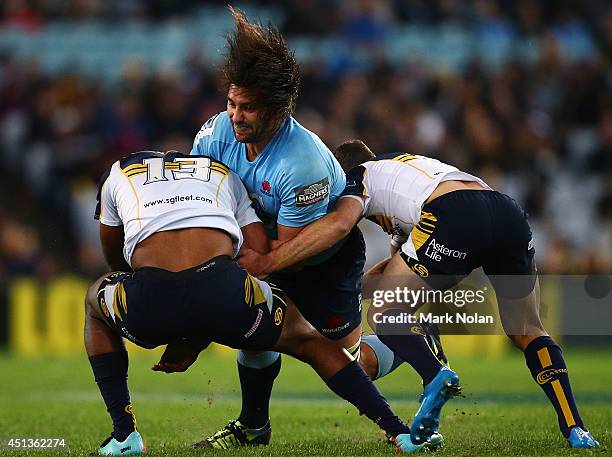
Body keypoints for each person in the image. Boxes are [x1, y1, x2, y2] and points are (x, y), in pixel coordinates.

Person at [187, 6, 452, 449]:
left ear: (277, 109)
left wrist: (234, 265)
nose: (236, 116)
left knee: (350, 361)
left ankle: (411, 336)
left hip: (320, 260)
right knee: (254, 330)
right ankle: (253, 427)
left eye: (248, 108)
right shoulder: (214, 136)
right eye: (232, 104)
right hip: (262, 249)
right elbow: (202, 199)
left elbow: (286, 254)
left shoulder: (301, 162)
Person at [238, 139, 601, 450]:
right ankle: (575, 428)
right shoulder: (406, 176)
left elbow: (341, 223)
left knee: (383, 314)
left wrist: (279, 264)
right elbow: (394, 272)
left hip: (453, 213)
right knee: (527, 329)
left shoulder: (355, 178)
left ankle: (435, 373)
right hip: (504, 212)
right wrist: (350, 293)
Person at [85, 149, 440, 456]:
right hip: (228, 292)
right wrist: (205, 321)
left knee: (94, 299)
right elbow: (256, 250)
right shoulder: (224, 174)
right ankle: (400, 432)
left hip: (149, 301)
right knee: (311, 340)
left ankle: (124, 433)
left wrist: (178, 325)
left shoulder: (117, 173)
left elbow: (117, 261)